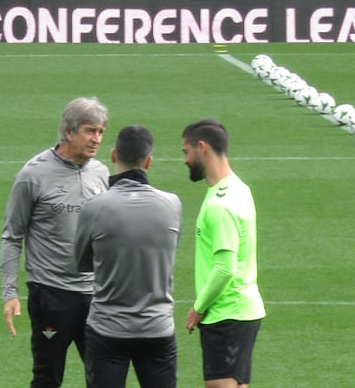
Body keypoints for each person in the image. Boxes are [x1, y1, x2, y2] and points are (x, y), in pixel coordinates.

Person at [0, 97, 109, 388]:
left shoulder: (101, 173)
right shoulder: (32, 175)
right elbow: (12, 236)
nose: (97, 139)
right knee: (47, 378)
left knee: (105, 378)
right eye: (90, 131)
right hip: (51, 295)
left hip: (97, 296)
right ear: (69, 132)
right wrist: (9, 293)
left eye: (100, 132)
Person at [74, 125, 182, 388]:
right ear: (149, 161)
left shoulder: (93, 207)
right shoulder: (172, 204)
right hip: (157, 328)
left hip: (107, 330)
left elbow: (81, 263)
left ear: (113, 155)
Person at [181, 119, 266, 388]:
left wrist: (198, 308)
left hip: (226, 312)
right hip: (240, 310)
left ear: (202, 147)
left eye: (186, 152)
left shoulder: (220, 204)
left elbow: (225, 268)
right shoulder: (239, 188)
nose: (185, 160)